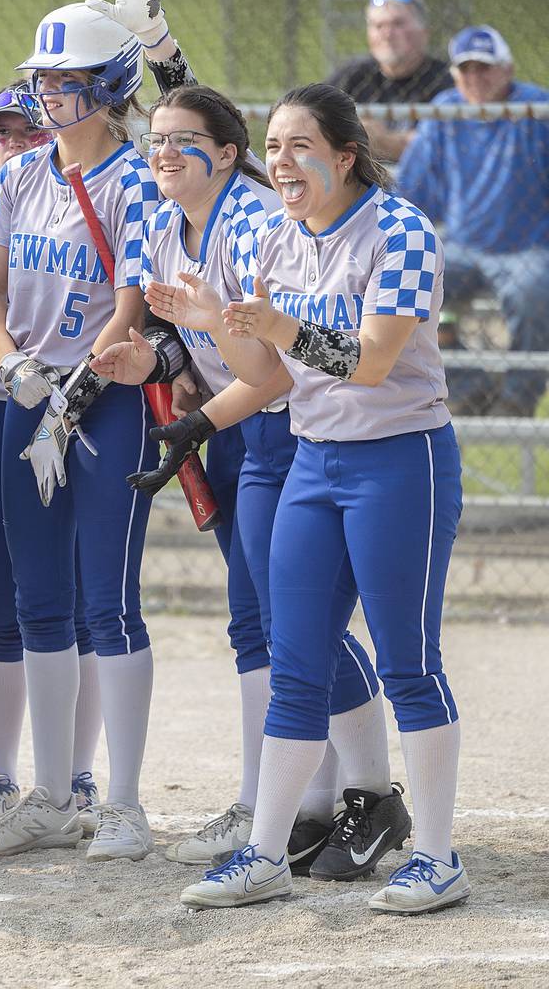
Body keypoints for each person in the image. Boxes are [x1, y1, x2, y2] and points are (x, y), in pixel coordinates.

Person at [175, 83, 466, 916]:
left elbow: (373, 361)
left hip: (399, 460)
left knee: (411, 665)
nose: (281, 162)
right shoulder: (279, 235)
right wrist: (197, 415)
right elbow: (266, 376)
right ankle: (265, 853)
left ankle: (439, 859)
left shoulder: (399, 230)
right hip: (314, 461)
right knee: (295, 659)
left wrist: (277, 328)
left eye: (299, 146)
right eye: (274, 148)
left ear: (344, 155)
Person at [97, 85, 398, 878]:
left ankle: (364, 791)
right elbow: (178, 338)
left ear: (227, 154)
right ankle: (304, 798)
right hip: (233, 424)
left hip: (281, 426)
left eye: (181, 139)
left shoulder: (258, 221)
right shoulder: (164, 223)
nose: (161, 151)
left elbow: (269, 370)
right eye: (155, 139)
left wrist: (202, 343)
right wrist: (154, 360)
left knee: (291, 618)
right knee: (259, 622)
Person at [0, 0, 192, 865]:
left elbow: (130, 313)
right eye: (42, 77)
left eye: (64, 78)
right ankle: (52, 796)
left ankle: (125, 804)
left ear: (107, 85)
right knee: (38, 604)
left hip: (102, 407)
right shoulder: (18, 174)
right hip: (30, 397)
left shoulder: (137, 177)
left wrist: (70, 397)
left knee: (111, 602)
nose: (46, 93)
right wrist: (13, 365)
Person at [0, 87, 106, 841]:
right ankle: (2, 774)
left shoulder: (85, 206)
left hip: (61, 403)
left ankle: (73, 774)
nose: (10, 144)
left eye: (24, 132)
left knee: (68, 602)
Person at [398, 25, 549, 416]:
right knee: (409, 282)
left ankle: (518, 398)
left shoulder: (534, 108)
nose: (476, 78)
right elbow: (414, 187)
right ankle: (469, 385)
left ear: (508, 69)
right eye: (466, 70)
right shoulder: (445, 110)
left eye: (485, 68)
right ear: (454, 75)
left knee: (533, 293)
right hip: (461, 246)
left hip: (525, 249)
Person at [325, 0, 453, 162]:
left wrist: (383, 141)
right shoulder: (352, 76)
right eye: (378, 26)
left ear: (424, 32)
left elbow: (447, 146)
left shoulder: (445, 79)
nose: (387, 34)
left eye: (398, 24)